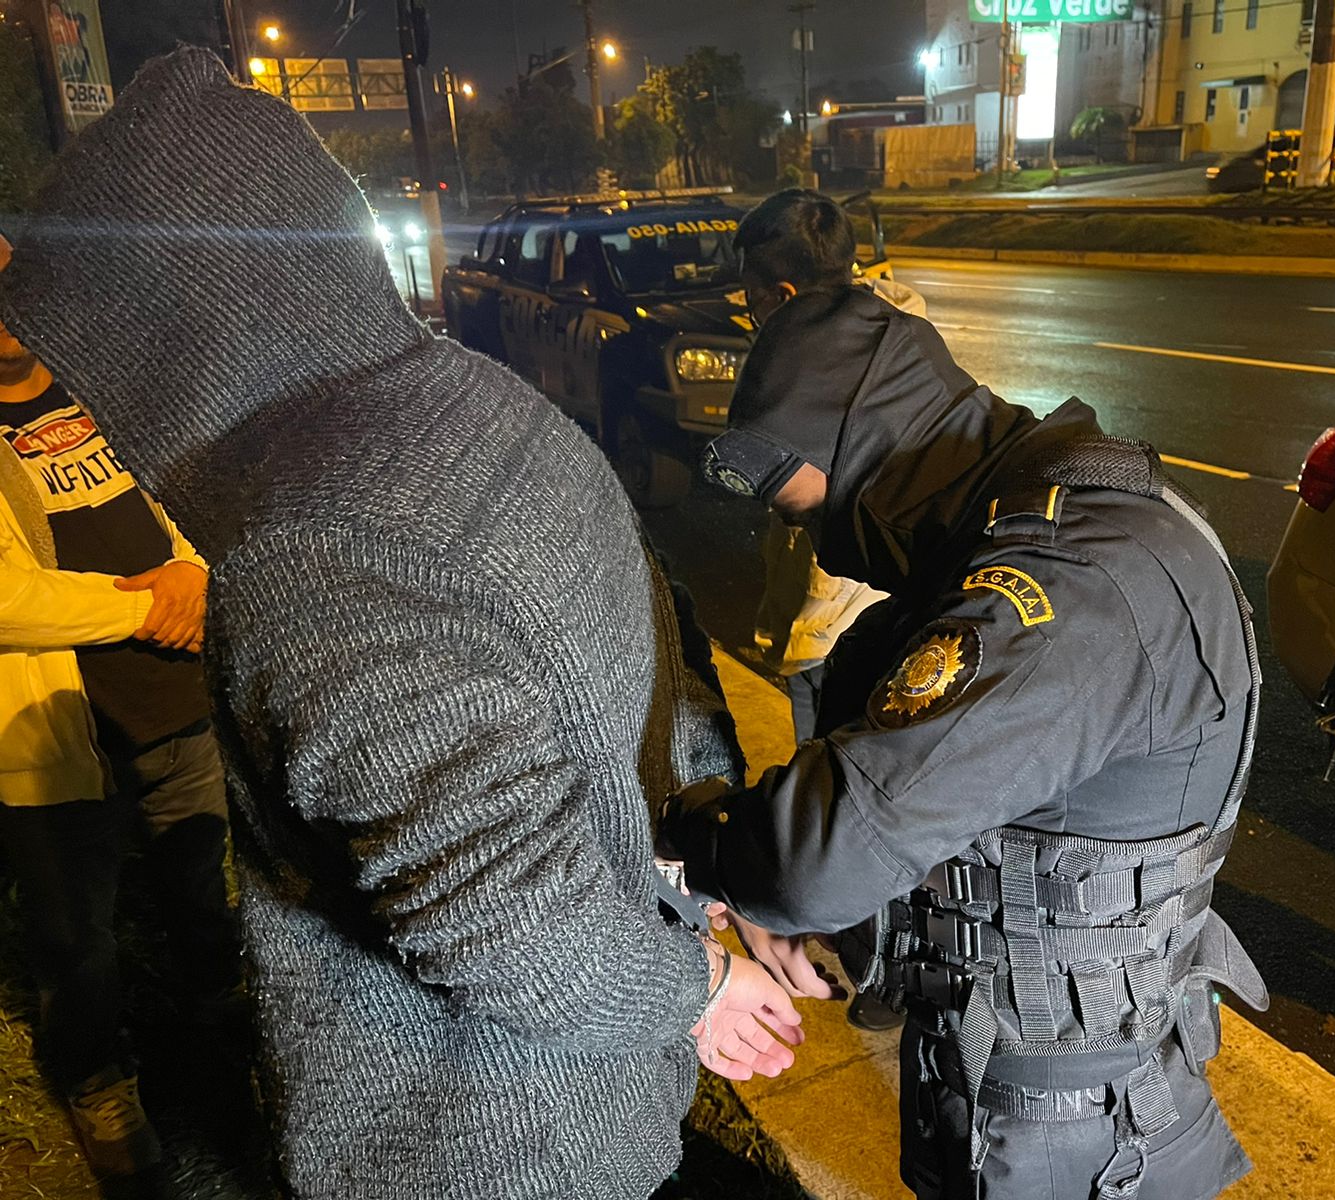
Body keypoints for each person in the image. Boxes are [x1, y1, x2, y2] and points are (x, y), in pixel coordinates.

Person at [0, 47, 803, 1200]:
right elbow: (655, 652)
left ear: (168, 338)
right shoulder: (471, 399)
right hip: (600, 1101)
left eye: (98, 369)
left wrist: (698, 992)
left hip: (480, 1145)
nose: (99, 409)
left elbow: (499, 910)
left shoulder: (315, 547)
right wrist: (695, 893)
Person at [661, 189, 1266, 1200]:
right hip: (1041, 1089)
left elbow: (825, 851)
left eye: (821, 511)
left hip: (1069, 1140)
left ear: (866, 450)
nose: (827, 545)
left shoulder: (1067, 588)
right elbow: (994, 816)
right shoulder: (1057, 526)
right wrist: (851, 928)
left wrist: (698, 850)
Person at [0, 238, 239, 1184]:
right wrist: (151, 605)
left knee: (200, 890)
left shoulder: (101, 393)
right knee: (76, 941)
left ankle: (217, 1024)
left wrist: (190, 571)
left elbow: (187, 507)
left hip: (178, 704)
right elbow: (9, 601)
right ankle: (100, 1088)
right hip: (59, 736)